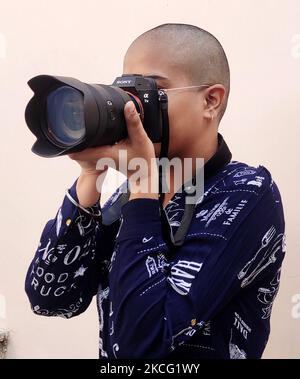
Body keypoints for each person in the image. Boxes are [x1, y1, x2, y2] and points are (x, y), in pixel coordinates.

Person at [25, 23, 285, 359]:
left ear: (210, 100)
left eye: (152, 93)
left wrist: (143, 187)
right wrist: (91, 176)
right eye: (127, 93)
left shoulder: (247, 193)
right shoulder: (132, 196)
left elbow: (142, 348)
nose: (133, 109)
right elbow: (52, 300)